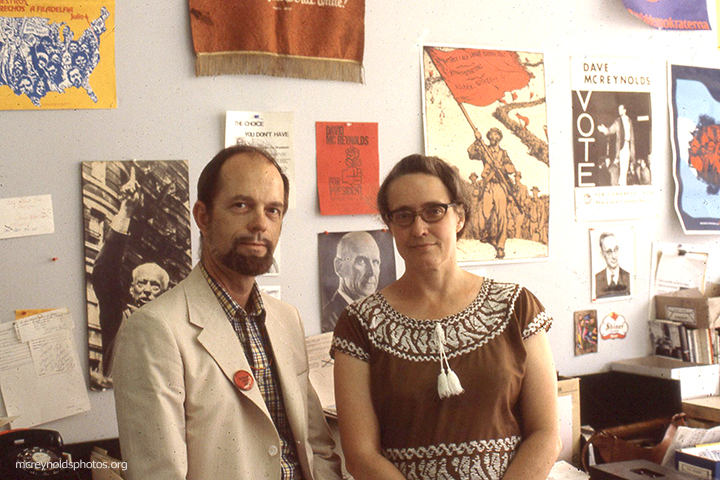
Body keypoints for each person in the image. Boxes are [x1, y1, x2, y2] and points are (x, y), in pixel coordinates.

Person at [113, 145, 342, 480]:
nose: (260, 224)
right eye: (241, 205)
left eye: (273, 210)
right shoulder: (154, 329)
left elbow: (316, 447)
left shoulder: (285, 319)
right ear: (203, 217)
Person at [332, 154, 561, 480]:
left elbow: (546, 435)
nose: (419, 228)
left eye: (433, 211)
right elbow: (360, 456)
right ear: (390, 225)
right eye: (404, 216)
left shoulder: (516, 307)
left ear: (460, 217)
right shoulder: (359, 324)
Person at [92, 168, 170, 382]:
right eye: (141, 283)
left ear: (164, 294)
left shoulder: (172, 326)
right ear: (132, 289)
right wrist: (126, 212)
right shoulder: (118, 317)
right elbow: (104, 273)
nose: (146, 289)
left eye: (154, 286)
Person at [467, 127, 519, 259]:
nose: (493, 137)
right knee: (484, 213)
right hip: (488, 186)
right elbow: (471, 154)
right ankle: (487, 235)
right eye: (491, 135)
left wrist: (501, 167)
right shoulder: (485, 150)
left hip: (500, 186)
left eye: (496, 135)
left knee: (502, 216)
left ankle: (500, 245)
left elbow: (512, 168)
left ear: (499, 138)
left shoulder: (503, 153)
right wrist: (477, 140)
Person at [321, 231, 381, 333]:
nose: (371, 273)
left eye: (375, 262)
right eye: (361, 261)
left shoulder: (380, 311)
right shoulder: (329, 319)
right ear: (339, 267)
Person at [598, 104, 635, 187]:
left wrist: (632, 150)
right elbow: (611, 130)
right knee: (622, 168)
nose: (620, 111)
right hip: (621, 146)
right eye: (619, 109)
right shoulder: (617, 121)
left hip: (628, 145)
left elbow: (632, 137)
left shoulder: (629, 121)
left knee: (625, 168)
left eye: (621, 109)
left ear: (625, 110)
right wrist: (605, 130)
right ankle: (622, 185)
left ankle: (622, 184)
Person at [595, 232, 630, 299]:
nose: (614, 256)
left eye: (616, 249)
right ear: (602, 254)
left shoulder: (629, 278)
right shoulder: (596, 280)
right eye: (609, 252)